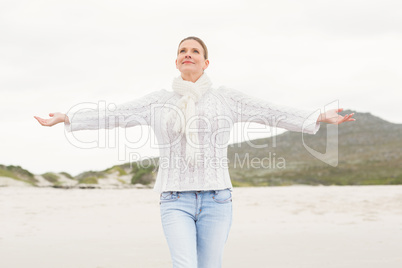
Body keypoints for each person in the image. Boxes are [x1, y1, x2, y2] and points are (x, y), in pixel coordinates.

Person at [34, 36, 355, 268]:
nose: (188, 55)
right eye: (182, 51)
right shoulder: (157, 101)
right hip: (174, 198)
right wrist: (70, 118)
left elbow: (270, 112)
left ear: (206, 62)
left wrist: (316, 116)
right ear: (176, 61)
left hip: (218, 199)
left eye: (195, 51)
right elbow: (114, 115)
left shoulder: (226, 98)